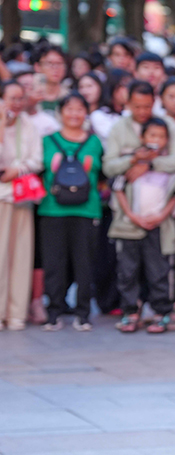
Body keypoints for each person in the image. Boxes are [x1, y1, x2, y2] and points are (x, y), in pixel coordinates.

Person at [108, 118, 175, 333]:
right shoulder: (131, 164)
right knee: (128, 271)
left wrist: (161, 216)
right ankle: (131, 312)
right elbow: (118, 188)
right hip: (130, 226)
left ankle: (161, 313)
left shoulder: (168, 167)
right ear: (142, 138)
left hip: (159, 226)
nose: (155, 140)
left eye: (160, 136)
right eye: (151, 135)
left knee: (158, 270)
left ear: (167, 141)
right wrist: (131, 215)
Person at [39, 92, 103, 331]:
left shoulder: (95, 142)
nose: (74, 114)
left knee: (84, 262)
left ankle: (83, 313)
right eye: (69, 109)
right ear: (60, 113)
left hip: (87, 210)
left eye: (79, 109)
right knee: (54, 262)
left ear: (86, 113)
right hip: (52, 209)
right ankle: (53, 312)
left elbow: (103, 173)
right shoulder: (47, 140)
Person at [0, 79, 44, 331]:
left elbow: (36, 160)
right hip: (1, 197)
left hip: (21, 197)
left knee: (20, 257)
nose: (16, 104)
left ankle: (16, 313)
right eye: (11, 98)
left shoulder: (29, 126)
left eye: (20, 99)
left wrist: (17, 169)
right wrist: (2, 124)